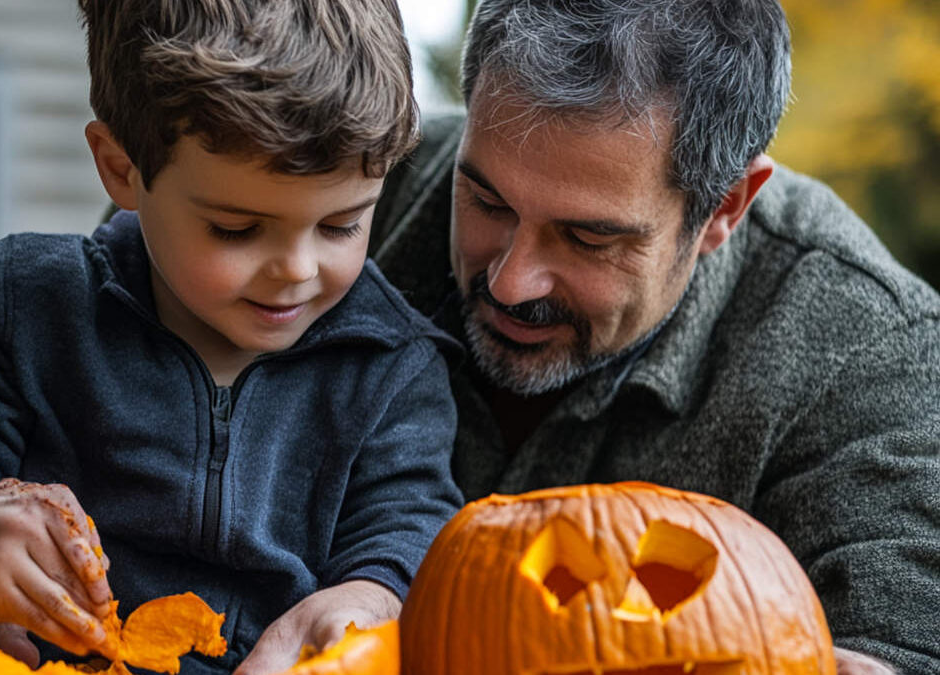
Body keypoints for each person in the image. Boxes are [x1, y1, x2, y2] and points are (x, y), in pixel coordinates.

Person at [0, 1, 462, 674]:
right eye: (236, 228)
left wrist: (369, 597)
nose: (297, 269)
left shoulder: (395, 366)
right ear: (121, 168)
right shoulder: (36, 308)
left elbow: (417, 536)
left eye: (341, 225)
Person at [369, 1, 940, 673]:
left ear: (724, 207)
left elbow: (900, 645)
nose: (510, 281)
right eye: (487, 202)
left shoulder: (871, 345)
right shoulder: (346, 197)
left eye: (589, 237)